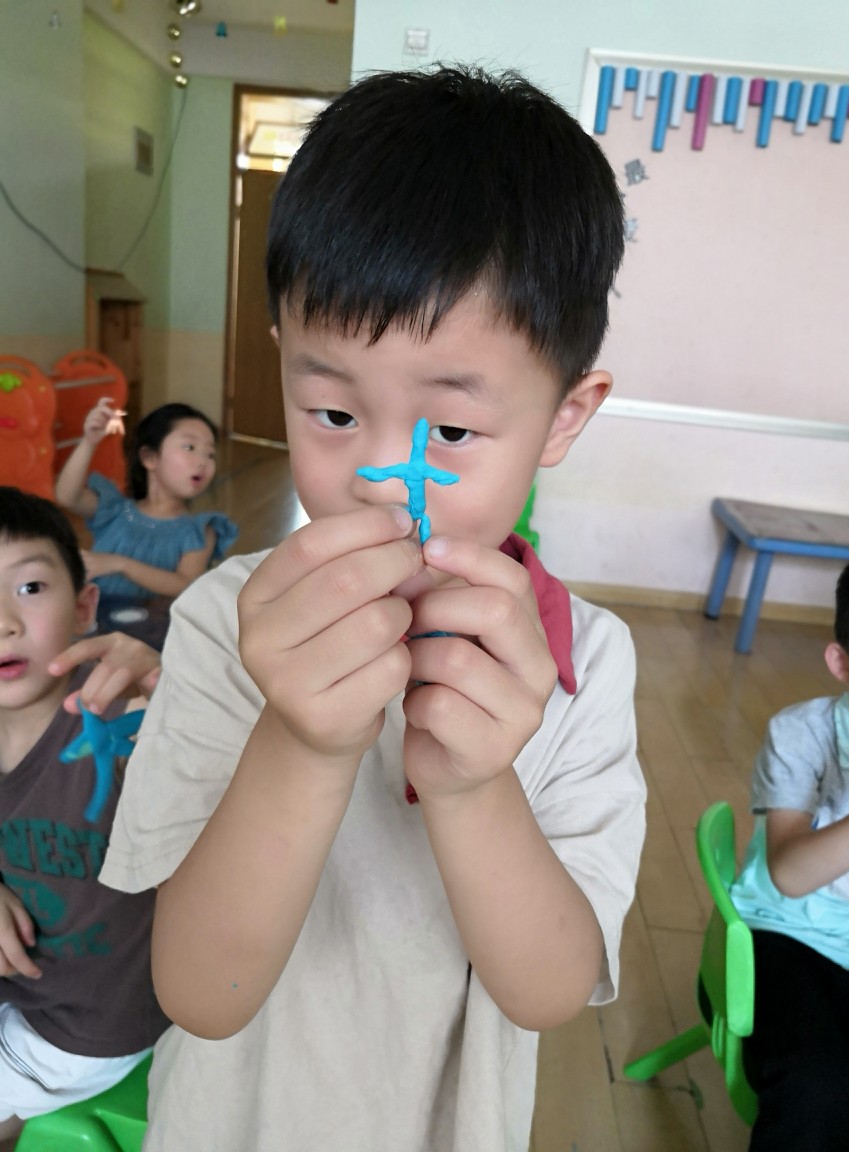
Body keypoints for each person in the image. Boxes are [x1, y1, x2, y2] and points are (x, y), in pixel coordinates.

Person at [100, 65, 647, 1152]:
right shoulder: (221, 623)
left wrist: (475, 786)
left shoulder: (585, 661)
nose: (381, 482)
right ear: (284, 370)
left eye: (452, 432)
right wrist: (301, 742)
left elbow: (549, 991)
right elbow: (199, 994)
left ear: (565, 416)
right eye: (335, 411)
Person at [0, 488, 168, 1145]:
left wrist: (170, 695)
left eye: (30, 587)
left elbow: (217, 765)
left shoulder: (117, 721)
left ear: (84, 606)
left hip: (85, 1026)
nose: (4, 621)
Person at [731, 549, 849, 1152]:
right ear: (843, 663)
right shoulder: (802, 733)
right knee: (821, 1090)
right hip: (784, 935)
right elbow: (788, 873)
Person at [54, 401, 238, 646]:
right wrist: (89, 441)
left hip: (152, 638)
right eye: (190, 447)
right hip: (95, 627)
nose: (203, 461)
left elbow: (183, 584)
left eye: (210, 454)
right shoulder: (114, 511)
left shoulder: (200, 530)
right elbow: (67, 496)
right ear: (150, 458)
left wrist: (119, 564)